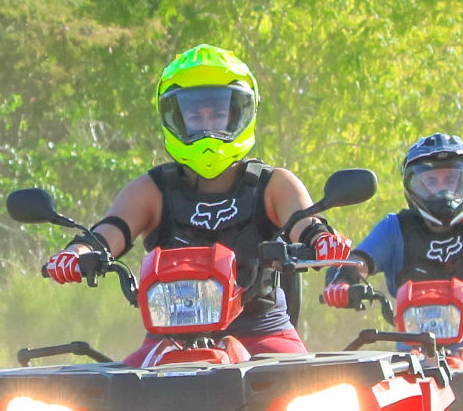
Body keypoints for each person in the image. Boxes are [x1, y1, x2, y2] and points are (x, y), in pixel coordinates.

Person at [43, 45, 351, 361]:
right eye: (194, 114)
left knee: (319, 398)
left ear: (242, 113)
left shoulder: (274, 184)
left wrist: (324, 240)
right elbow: (105, 234)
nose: (206, 124)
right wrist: (75, 254)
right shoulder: (152, 189)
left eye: (218, 112)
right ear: (174, 118)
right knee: (106, 403)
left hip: (265, 336)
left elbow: (306, 223)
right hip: (167, 342)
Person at [328, 133, 463, 358]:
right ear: (412, 185)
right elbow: (360, 260)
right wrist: (343, 281)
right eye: (431, 181)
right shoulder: (395, 226)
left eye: (450, 180)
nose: (442, 190)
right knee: (357, 388)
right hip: (413, 353)